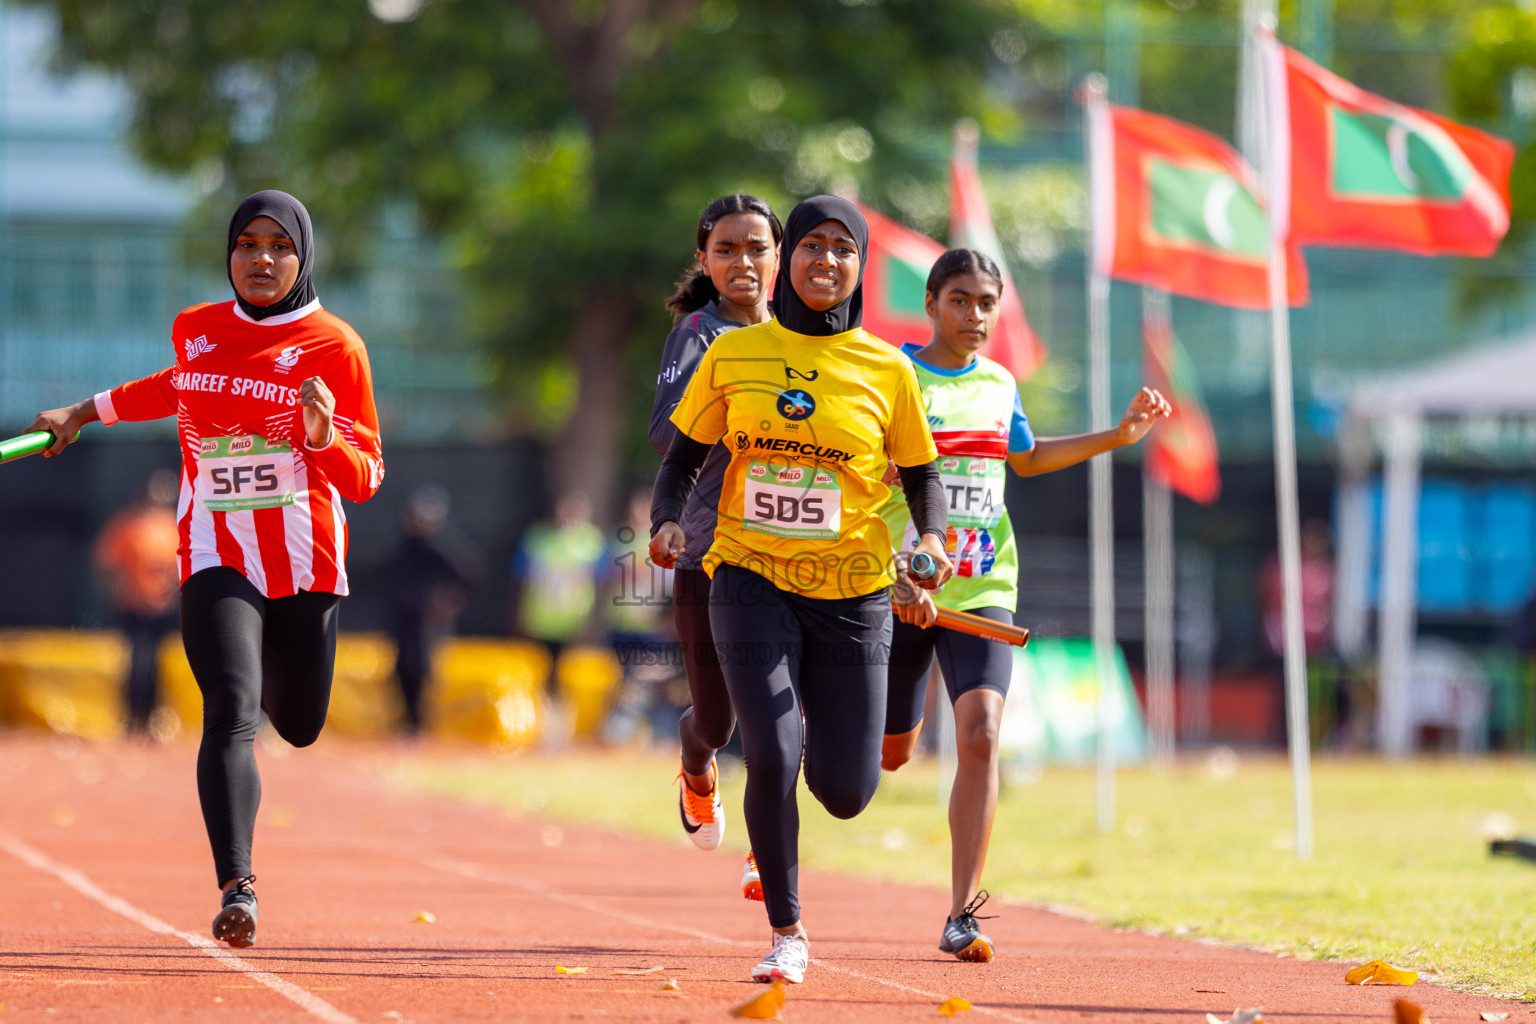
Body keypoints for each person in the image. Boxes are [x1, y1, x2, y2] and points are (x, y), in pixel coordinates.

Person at [28, 190, 384, 949]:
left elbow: (366, 475)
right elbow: (172, 386)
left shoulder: (335, 346)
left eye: (279, 246)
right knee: (230, 707)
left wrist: (321, 435)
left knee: (301, 723)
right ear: (230, 254)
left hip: (303, 561)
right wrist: (82, 413)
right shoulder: (197, 329)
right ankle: (239, 887)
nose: (262, 259)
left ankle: (250, 847)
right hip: (214, 551)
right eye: (248, 244)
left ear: (302, 257)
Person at [650, 195, 954, 985]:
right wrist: (670, 521)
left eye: (842, 249)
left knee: (848, 791)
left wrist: (930, 541)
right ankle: (787, 931)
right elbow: (680, 457)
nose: (826, 261)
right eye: (812, 246)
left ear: (859, 265)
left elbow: (925, 477)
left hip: (852, 590)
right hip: (749, 576)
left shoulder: (889, 369)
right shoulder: (734, 352)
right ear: (790, 261)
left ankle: (825, 742)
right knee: (772, 751)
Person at [878, 248, 1170, 963]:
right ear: (930, 302)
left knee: (980, 734)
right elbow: (858, 481)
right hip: (900, 589)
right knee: (888, 756)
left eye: (986, 302)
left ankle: (960, 913)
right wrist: (891, 570)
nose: (974, 315)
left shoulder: (999, 382)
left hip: (984, 589)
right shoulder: (895, 379)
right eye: (960, 300)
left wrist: (1118, 435)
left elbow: (1027, 457)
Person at [648, 193, 782, 858]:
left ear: (780, 256)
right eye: (726, 249)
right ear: (704, 258)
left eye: (757, 247)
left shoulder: (803, 334)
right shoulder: (699, 333)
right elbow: (662, 433)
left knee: (782, 710)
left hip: (795, 553)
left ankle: (770, 847)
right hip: (709, 551)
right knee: (718, 718)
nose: (744, 262)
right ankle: (694, 760)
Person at [94, 468, 180, 735]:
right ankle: (133, 718)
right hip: (134, 606)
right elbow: (109, 564)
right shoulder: (127, 524)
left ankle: (153, 718)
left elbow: (180, 566)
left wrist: (171, 593)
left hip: (162, 607)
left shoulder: (173, 523)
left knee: (157, 664)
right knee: (137, 662)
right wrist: (121, 592)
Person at [386, 484, 478, 734]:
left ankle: (419, 723)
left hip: (427, 620)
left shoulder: (442, 546)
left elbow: (470, 575)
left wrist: (449, 603)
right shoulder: (407, 544)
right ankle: (407, 721)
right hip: (404, 616)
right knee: (402, 668)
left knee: (421, 668)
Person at [509, 490, 605, 720]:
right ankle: (536, 719)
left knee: (568, 675)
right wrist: (518, 614)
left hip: (574, 621)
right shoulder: (537, 538)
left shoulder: (592, 541)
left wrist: (594, 620)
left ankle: (566, 722)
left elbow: (602, 584)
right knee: (538, 673)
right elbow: (520, 579)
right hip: (540, 619)